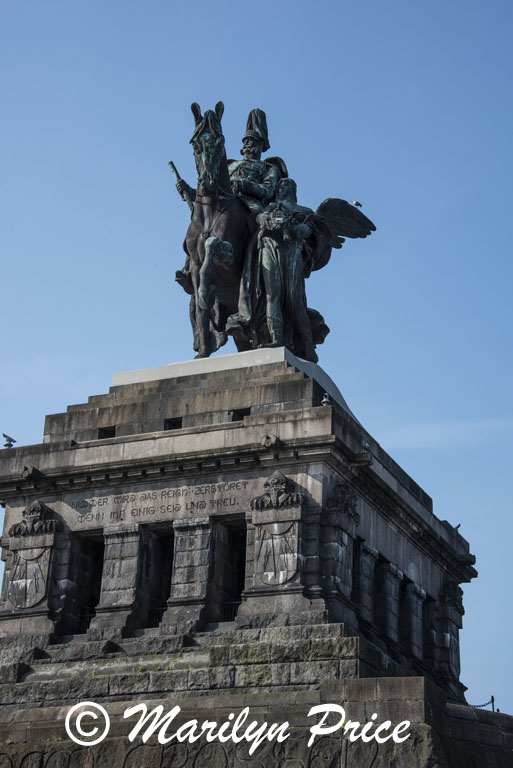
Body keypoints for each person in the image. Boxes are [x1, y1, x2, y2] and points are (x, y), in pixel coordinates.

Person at [227, 178, 330, 362]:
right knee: (271, 295)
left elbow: (315, 229)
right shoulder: (272, 207)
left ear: (294, 190)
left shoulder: (304, 211)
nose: (283, 188)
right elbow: (259, 217)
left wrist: (304, 229)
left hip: (292, 251)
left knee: (294, 299)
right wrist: (266, 220)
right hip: (269, 246)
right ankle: (276, 339)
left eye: (287, 186)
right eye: (281, 186)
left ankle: (307, 346)